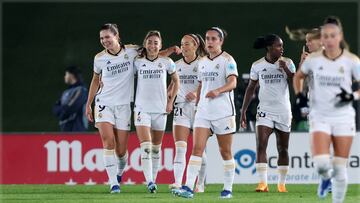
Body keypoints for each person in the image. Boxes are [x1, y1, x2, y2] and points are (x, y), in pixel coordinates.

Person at [85, 24, 180, 194]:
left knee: (121, 151)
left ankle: (119, 171)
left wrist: (171, 50)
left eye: (108, 37)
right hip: (103, 103)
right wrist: (89, 103)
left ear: (117, 36)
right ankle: (114, 183)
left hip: (123, 106)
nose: (105, 41)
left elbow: (154, 55)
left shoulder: (132, 51)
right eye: (102, 38)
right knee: (108, 142)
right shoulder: (99, 58)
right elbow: (95, 80)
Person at [293, 16, 360, 203]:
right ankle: (324, 177)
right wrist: (299, 96)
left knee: (340, 167)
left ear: (339, 37)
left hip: (344, 117)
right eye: (325, 36)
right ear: (322, 38)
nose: (329, 39)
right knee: (322, 164)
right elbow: (298, 77)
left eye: (333, 36)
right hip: (320, 115)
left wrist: (353, 95)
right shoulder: (313, 60)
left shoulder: (351, 60)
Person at [173, 27, 238, 199]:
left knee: (225, 151)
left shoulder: (227, 60)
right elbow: (201, 85)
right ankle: (188, 187)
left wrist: (218, 91)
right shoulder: (202, 62)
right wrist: (198, 104)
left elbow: (233, 83)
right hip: (203, 112)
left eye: (214, 39)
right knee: (197, 148)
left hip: (223, 112)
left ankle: (228, 188)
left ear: (221, 41)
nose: (209, 42)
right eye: (208, 39)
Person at [240, 34, 296, 193]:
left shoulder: (289, 63)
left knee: (283, 148)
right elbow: (250, 88)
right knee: (261, 145)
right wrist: (243, 111)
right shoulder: (257, 65)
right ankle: (262, 183)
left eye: (282, 46)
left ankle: (281, 184)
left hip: (283, 111)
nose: (281, 48)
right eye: (279, 46)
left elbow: (295, 84)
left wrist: (285, 69)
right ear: (269, 48)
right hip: (264, 110)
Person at [133, 30, 180, 193]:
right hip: (141, 109)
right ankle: (150, 182)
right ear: (145, 43)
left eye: (155, 43)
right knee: (146, 145)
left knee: (156, 148)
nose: (152, 45)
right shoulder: (137, 61)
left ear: (160, 46)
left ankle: (154, 177)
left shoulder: (166, 62)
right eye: (150, 42)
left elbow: (176, 81)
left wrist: (170, 101)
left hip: (160, 109)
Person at [168, 34, 208, 192]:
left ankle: (200, 184)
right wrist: (167, 99)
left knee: (200, 151)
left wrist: (197, 94)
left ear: (195, 45)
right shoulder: (176, 65)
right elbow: (172, 85)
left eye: (187, 44)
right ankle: (177, 182)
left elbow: (209, 84)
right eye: (182, 44)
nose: (183, 47)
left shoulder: (203, 63)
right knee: (180, 148)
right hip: (181, 108)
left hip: (200, 109)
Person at [53, 66, 88, 132]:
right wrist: (63, 110)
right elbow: (55, 108)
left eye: (66, 74)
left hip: (77, 128)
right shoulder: (65, 92)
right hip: (65, 127)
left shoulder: (81, 90)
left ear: (71, 75)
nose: (65, 77)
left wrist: (62, 112)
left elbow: (72, 107)